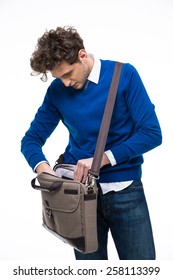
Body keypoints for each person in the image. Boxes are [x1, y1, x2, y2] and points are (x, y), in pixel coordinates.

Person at [21, 26, 162, 260]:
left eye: (68, 74)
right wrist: (43, 169)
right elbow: (30, 140)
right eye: (59, 78)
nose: (65, 83)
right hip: (77, 195)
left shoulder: (124, 75)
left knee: (142, 270)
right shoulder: (57, 91)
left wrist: (102, 159)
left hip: (125, 190)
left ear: (82, 55)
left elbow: (151, 133)